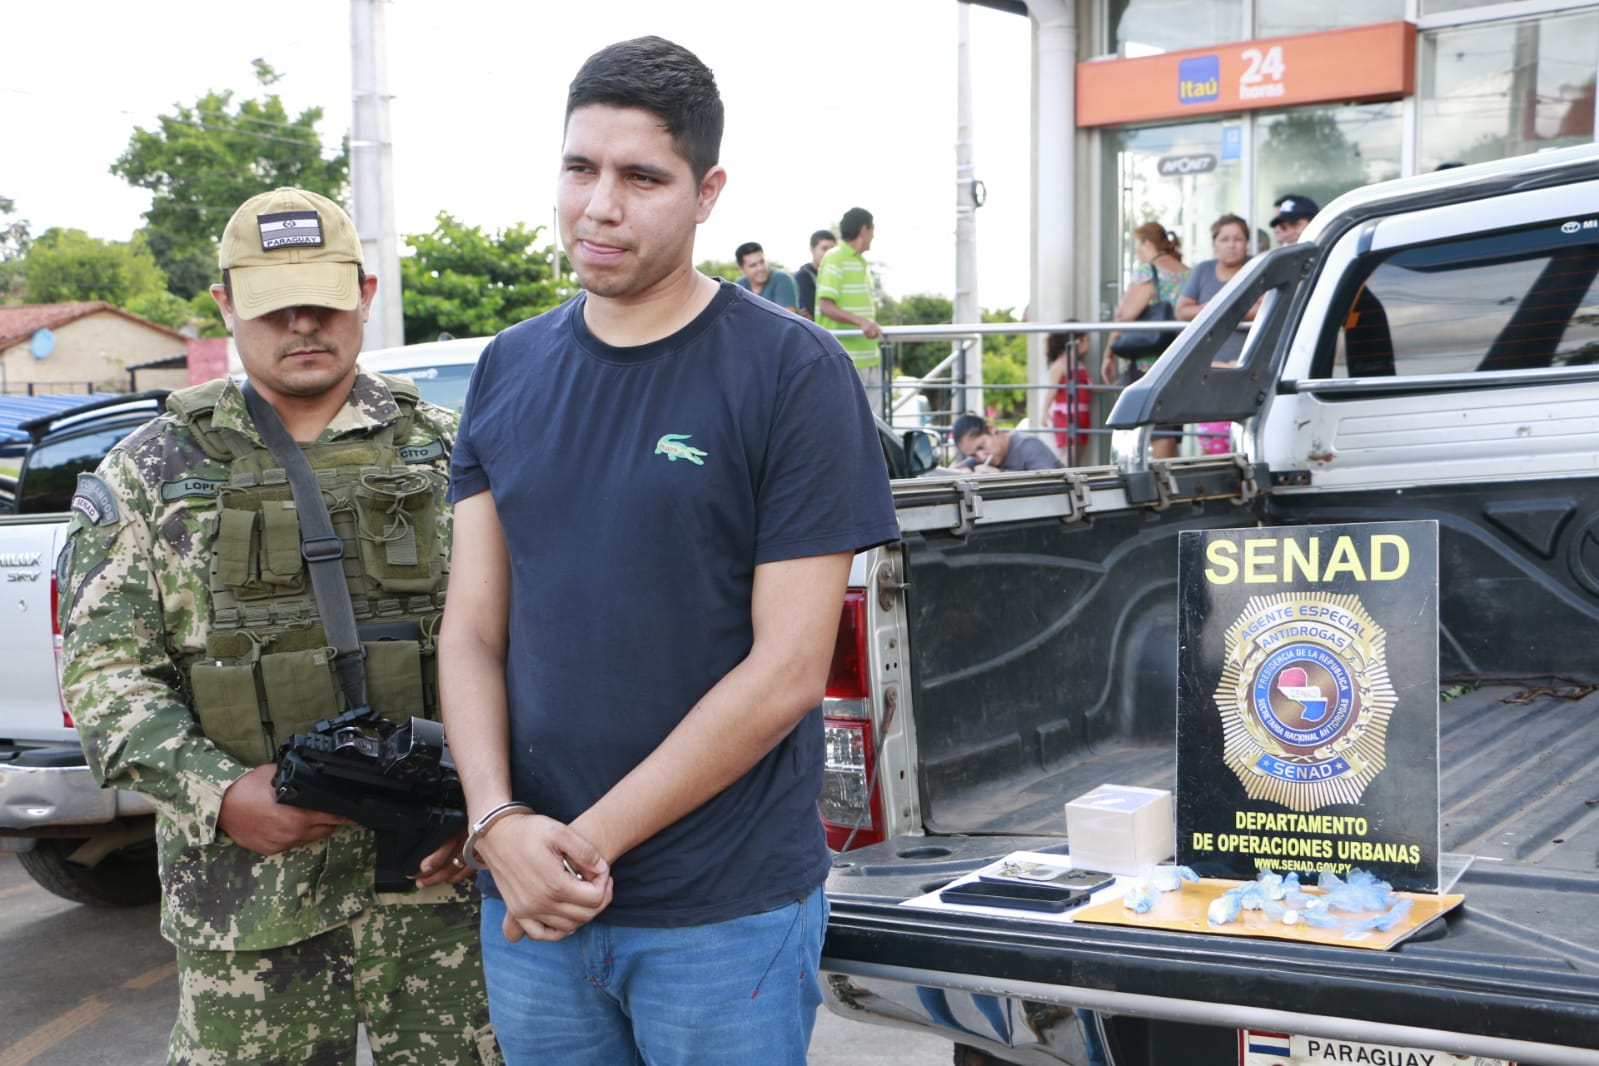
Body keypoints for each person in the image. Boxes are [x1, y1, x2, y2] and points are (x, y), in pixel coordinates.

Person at [436, 36, 899, 1066]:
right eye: (579, 168)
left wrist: (577, 845)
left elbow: (785, 672)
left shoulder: (792, 371)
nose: (600, 205)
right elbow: (471, 629)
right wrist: (498, 822)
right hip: (532, 909)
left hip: (719, 916)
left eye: (641, 176)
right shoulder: (507, 369)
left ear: (707, 192)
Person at [56, 187, 497, 1064]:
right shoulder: (150, 472)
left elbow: (525, 650)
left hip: (445, 891)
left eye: (325, 300)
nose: (302, 323)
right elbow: (103, 673)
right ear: (225, 304)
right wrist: (219, 795)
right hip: (246, 905)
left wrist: (490, 810)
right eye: (272, 303)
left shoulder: (451, 451)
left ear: (365, 293)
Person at [1104, 221, 1188, 459]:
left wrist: (1108, 352)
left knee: (1149, 430)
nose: (1137, 251)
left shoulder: (1148, 272)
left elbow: (1125, 315)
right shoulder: (1186, 272)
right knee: (1169, 430)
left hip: (1145, 362)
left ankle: (1153, 487)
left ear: (1148, 243)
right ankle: (1171, 485)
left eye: (1137, 244)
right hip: (1176, 359)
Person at [815, 206, 885, 411]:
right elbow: (825, 305)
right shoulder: (835, 257)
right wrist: (861, 322)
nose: (874, 235)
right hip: (847, 358)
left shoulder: (859, 261)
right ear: (864, 230)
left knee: (876, 427)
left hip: (869, 356)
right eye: (872, 230)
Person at [952, 413, 1064, 472]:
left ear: (991, 428)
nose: (981, 457)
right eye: (973, 455)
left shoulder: (1028, 445)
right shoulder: (981, 458)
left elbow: (1048, 483)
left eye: (981, 446)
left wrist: (999, 475)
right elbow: (954, 470)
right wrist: (962, 473)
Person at [732, 240, 798, 311]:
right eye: (753, 265)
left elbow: (786, 318)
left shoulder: (782, 279)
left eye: (762, 262)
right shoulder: (739, 286)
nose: (760, 268)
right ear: (741, 269)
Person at [793, 228, 836, 320]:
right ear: (812, 249)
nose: (828, 254)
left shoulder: (835, 274)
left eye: (832, 250)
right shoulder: (803, 277)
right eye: (824, 249)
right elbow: (815, 311)